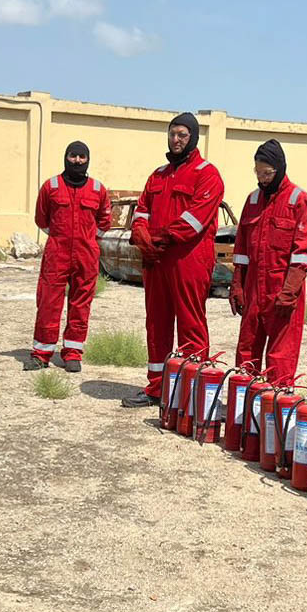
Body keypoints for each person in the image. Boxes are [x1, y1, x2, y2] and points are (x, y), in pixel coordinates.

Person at [123, 113, 225, 407]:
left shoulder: (207, 174)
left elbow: (195, 219)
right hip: (155, 261)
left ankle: (191, 393)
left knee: (190, 324)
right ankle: (157, 388)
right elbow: (142, 210)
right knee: (157, 324)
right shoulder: (158, 175)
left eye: (182, 134)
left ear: (193, 137)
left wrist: (158, 239)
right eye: (172, 134)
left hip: (188, 260)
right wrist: (141, 235)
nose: (176, 140)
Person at [230, 139, 307, 385]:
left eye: (267, 173)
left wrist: (290, 290)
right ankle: (245, 408)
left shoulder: (299, 201)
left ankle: (275, 412)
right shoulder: (253, 200)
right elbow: (241, 249)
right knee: (247, 351)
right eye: (258, 172)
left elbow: (303, 254)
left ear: (279, 169)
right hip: (254, 291)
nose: (262, 178)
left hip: (282, 289)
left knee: (281, 357)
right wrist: (237, 284)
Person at [28, 141, 111, 372]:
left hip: (86, 255)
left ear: (88, 159)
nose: (77, 161)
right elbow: (41, 220)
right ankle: (42, 353)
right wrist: (60, 237)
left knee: (81, 304)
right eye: (73, 156)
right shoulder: (51, 186)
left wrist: (87, 239)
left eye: (82, 157)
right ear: (66, 157)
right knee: (48, 302)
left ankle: (73, 352)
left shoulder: (98, 189)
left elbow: (105, 221)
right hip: (58, 253)